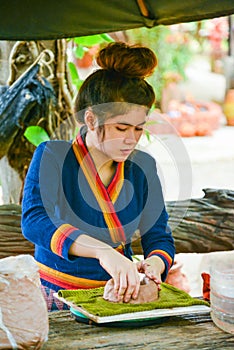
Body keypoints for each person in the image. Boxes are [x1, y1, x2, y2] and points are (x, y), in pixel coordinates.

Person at [21, 42, 175, 311]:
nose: (131, 139)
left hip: (119, 298)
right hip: (56, 297)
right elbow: (35, 221)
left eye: (139, 129)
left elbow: (159, 236)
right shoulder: (53, 156)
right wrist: (103, 252)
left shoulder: (142, 167)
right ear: (91, 120)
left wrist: (154, 264)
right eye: (121, 127)